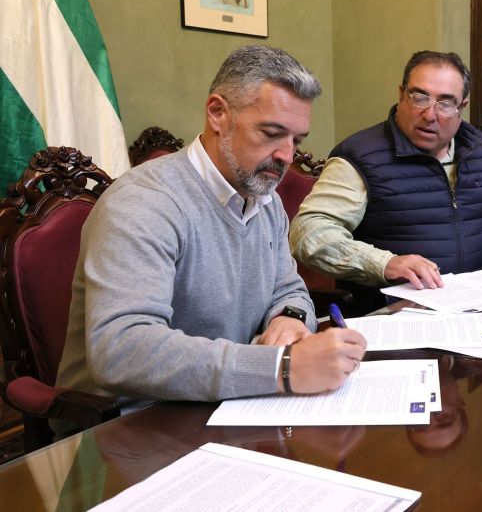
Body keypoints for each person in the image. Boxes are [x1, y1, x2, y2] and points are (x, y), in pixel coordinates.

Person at [56, 46, 367, 413]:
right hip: (131, 424)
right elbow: (121, 351)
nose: (287, 155)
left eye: (296, 140)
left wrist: (290, 317)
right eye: (272, 133)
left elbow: (288, 288)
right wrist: (281, 368)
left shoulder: (264, 198)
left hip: (227, 405)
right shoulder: (143, 203)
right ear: (218, 113)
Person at [290, 50, 482, 302]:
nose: (430, 115)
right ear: (401, 94)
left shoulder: (477, 153)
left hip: (477, 303)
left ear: (462, 106)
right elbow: (309, 232)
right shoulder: (359, 157)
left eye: (445, 103)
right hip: (394, 312)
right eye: (419, 98)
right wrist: (386, 263)